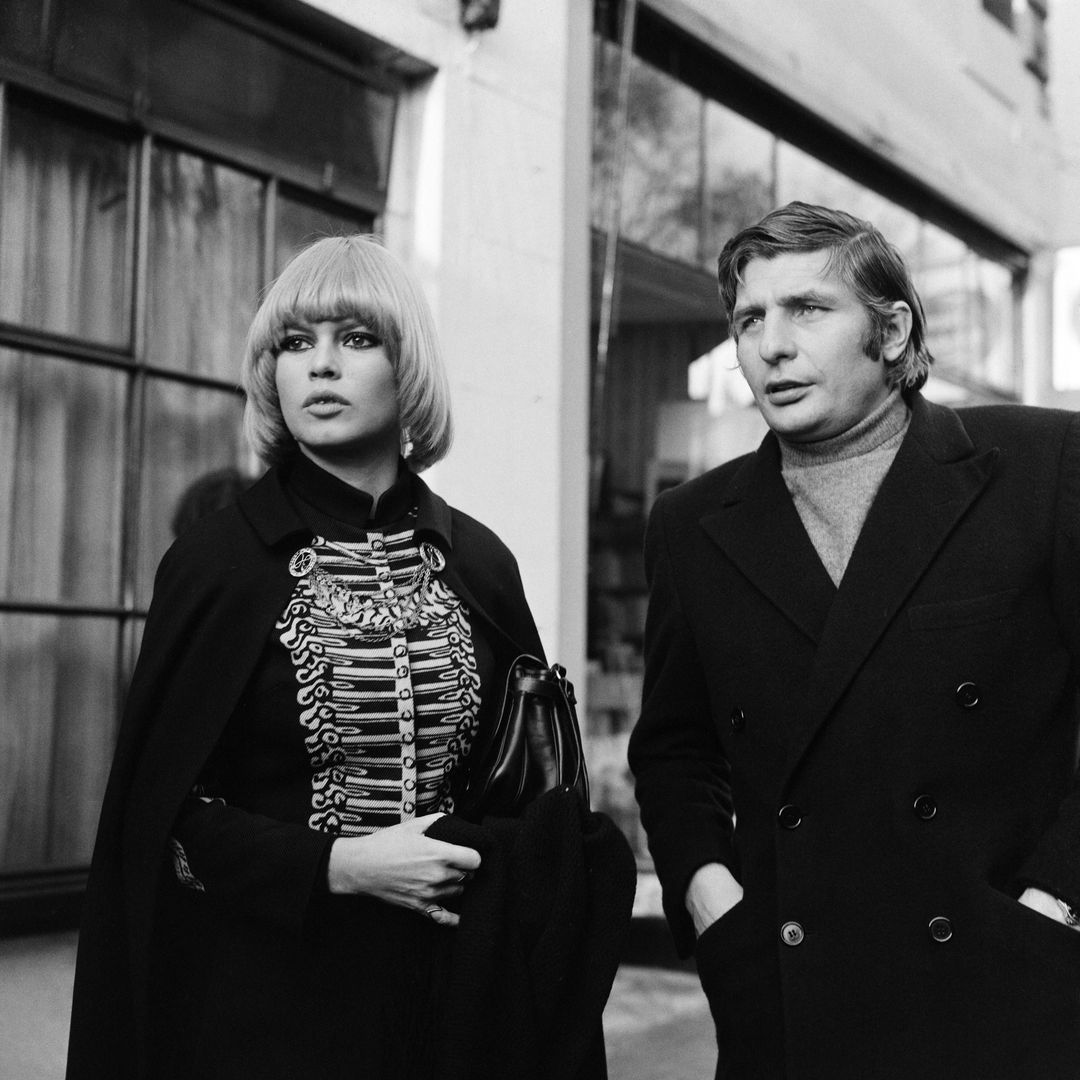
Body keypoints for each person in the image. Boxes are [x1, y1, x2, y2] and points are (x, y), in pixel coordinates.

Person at [68, 235, 633, 1080]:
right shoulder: (219, 563)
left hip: (453, 1002)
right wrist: (336, 865)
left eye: (355, 339)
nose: (320, 367)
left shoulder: (479, 563)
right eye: (296, 345)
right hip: (264, 1008)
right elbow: (163, 819)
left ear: (408, 368)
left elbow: (535, 797)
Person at [628, 202, 1080, 1079]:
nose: (771, 344)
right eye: (749, 319)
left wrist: (1057, 901)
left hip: (1004, 993)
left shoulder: (1041, 468)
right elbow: (676, 749)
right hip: (792, 1005)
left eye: (807, 309)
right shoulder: (693, 525)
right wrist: (708, 894)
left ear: (891, 329)